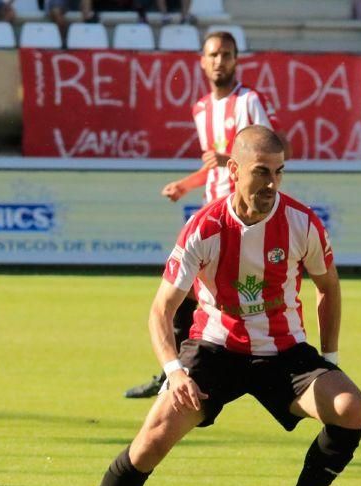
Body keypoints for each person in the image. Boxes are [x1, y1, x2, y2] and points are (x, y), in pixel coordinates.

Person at [42, 126, 361, 486]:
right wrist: (175, 371)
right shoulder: (204, 228)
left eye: (279, 172)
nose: (272, 184)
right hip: (214, 349)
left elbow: (327, 286)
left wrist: (329, 362)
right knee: (151, 440)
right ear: (233, 170)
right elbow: (161, 310)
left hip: (285, 354)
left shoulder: (301, 222)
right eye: (261, 172)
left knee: (351, 408)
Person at [124, 30, 285, 399]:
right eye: (213, 54)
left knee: (210, 296)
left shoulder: (249, 102)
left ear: (236, 60)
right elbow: (216, 166)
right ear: (202, 60)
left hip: (242, 218)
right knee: (185, 295)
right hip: (210, 217)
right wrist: (186, 184)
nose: (219, 61)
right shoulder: (201, 109)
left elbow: (273, 150)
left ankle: (186, 372)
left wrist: (231, 157)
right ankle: (174, 371)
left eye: (226, 54)